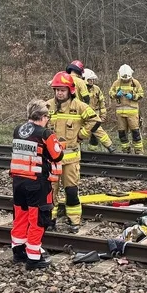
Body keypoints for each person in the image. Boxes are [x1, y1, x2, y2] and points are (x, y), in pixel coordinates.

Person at [10, 100, 65, 270]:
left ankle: (19, 252)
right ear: (42, 116)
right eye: (47, 116)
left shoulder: (18, 130)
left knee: (20, 217)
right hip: (36, 182)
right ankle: (34, 258)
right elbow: (57, 156)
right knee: (38, 220)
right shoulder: (45, 133)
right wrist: (59, 145)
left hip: (18, 181)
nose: (48, 119)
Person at [47, 71, 103, 231]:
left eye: (62, 90)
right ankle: (50, 221)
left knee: (71, 191)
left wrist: (81, 135)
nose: (59, 93)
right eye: (57, 89)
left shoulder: (79, 106)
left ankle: (74, 222)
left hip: (71, 160)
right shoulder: (48, 106)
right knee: (50, 192)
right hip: (51, 160)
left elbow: (95, 120)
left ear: (70, 90)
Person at [109, 64, 145, 154]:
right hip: (120, 114)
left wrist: (133, 96)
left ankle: (139, 152)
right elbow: (110, 93)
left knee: (135, 133)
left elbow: (141, 94)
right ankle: (126, 151)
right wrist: (116, 94)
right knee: (122, 134)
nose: (125, 79)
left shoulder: (135, 83)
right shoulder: (116, 83)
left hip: (132, 114)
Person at [81, 68, 117, 151]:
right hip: (82, 115)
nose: (92, 81)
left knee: (98, 131)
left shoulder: (96, 89)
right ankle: (78, 149)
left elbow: (102, 103)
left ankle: (109, 146)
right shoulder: (80, 89)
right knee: (77, 132)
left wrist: (103, 115)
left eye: (93, 80)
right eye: (90, 80)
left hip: (94, 115)